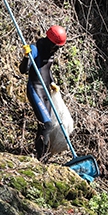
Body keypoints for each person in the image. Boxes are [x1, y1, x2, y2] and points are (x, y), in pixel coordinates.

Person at [19, 25, 67, 162]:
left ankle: (42, 158)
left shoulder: (51, 50)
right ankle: (42, 160)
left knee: (44, 126)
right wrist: (27, 57)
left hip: (46, 90)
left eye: (59, 47)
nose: (57, 49)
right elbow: (23, 70)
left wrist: (52, 82)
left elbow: (47, 69)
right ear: (50, 41)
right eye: (56, 46)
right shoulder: (36, 48)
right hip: (35, 89)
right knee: (47, 125)